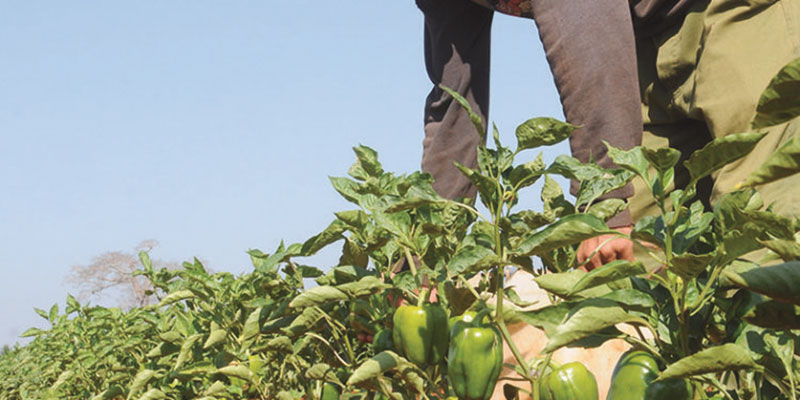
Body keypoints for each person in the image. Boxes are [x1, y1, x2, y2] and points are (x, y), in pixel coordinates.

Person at [416, 0, 800, 270]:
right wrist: (422, 260)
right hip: (640, 45)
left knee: (762, 231)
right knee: (630, 271)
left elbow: (584, 19)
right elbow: (454, 106)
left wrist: (605, 204)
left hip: (737, 12)